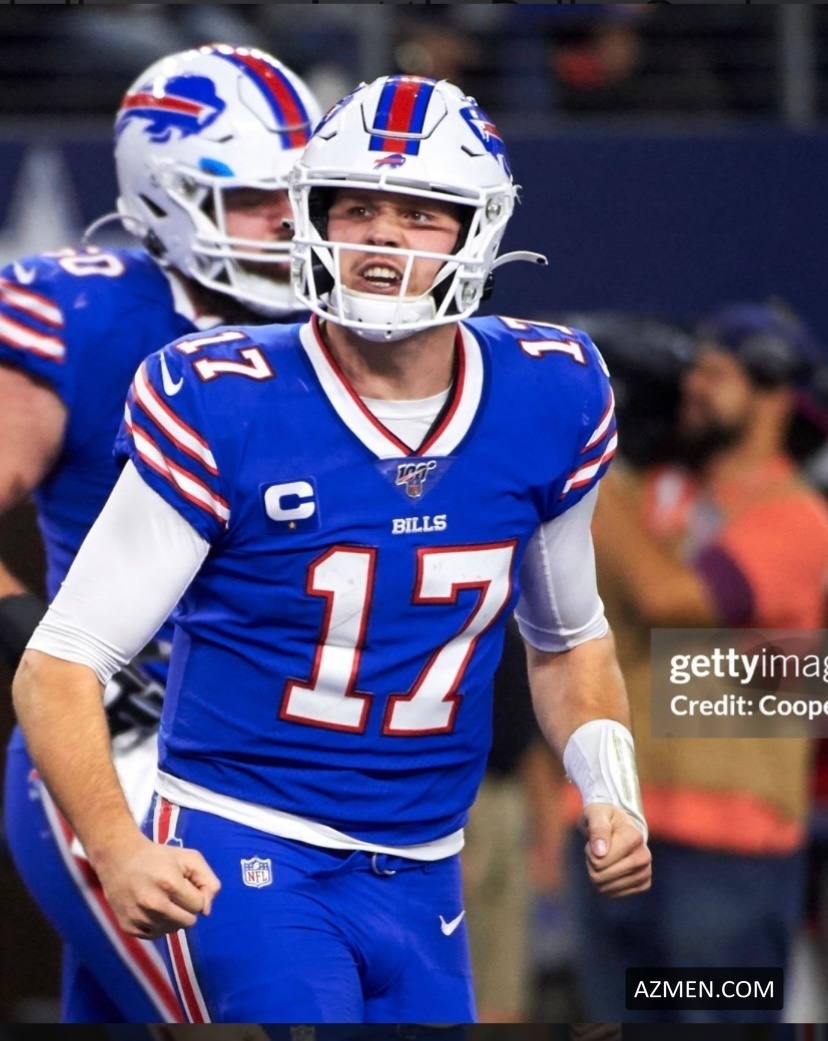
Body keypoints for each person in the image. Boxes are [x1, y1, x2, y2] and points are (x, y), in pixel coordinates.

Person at [12, 74, 651, 1023]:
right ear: (313, 219)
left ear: (477, 230)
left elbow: (568, 641)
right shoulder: (224, 395)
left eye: (420, 213)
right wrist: (118, 846)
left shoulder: (549, 390)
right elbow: (60, 662)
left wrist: (610, 786)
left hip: (426, 862)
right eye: (357, 209)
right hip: (246, 838)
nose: (383, 238)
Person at [0, 43, 320, 1022]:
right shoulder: (84, 314)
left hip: (301, 758)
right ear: (164, 197)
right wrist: (35, 635)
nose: (289, 222)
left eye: (300, 194)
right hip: (132, 752)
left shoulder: (345, 324)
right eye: (256, 199)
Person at [569, 303, 828, 1022]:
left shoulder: (797, 516)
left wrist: (590, 467)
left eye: (717, 374)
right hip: (615, 829)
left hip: (729, 853)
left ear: (773, 393)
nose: (693, 388)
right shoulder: (662, 495)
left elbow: (670, 599)